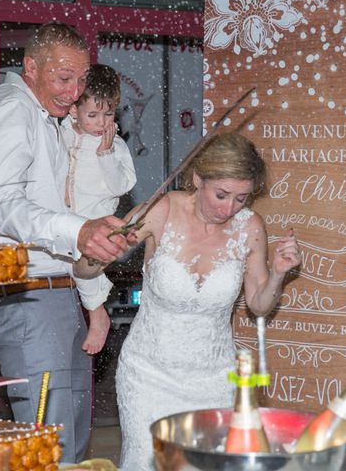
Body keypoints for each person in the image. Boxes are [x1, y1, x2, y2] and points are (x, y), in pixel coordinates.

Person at [75, 132, 301, 470]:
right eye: (221, 195)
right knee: (147, 462)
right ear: (198, 178)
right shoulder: (161, 211)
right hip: (148, 376)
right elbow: (85, 269)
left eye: (241, 198)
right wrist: (97, 249)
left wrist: (279, 273)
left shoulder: (250, 226)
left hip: (215, 380)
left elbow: (258, 304)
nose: (229, 209)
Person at [0, 22, 130, 463]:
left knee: (71, 443)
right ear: (31, 67)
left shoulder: (43, 116)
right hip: (29, 301)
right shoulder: (12, 110)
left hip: (55, 299)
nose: (75, 91)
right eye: (64, 78)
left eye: (81, 80)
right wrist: (77, 231)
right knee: (50, 446)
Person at [61, 63, 137, 354]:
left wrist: (105, 154)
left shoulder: (114, 145)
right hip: (65, 218)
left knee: (83, 265)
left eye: (108, 114)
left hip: (95, 221)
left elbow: (122, 185)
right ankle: (93, 312)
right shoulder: (63, 134)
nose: (101, 122)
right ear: (73, 110)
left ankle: (98, 314)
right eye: (93, 115)